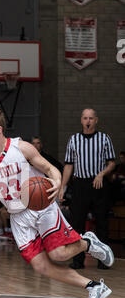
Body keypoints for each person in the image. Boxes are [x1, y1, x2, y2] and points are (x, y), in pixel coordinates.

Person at [0, 107, 114, 298]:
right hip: (17, 216)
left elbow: (49, 168)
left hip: (41, 207)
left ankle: (87, 243)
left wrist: (56, 182)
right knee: (40, 265)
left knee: (59, 254)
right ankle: (94, 287)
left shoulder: (21, 148)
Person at [58, 108, 116, 270]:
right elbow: (69, 165)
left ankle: (104, 260)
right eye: (85, 118)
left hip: (98, 184)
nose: (88, 121)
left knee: (102, 222)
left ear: (96, 120)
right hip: (80, 185)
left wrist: (101, 174)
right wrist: (63, 187)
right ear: (81, 120)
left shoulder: (104, 139)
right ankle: (78, 260)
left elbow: (112, 163)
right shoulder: (74, 140)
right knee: (77, 224)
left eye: (91, 118)